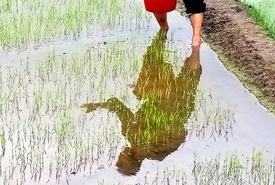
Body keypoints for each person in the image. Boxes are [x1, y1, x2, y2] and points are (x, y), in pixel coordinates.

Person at [84, 34, 202, 176]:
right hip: (161, 96)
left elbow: (182, 135)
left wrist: (170, 121)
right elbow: (118, 106)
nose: (121, 153)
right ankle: (172, 35)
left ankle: (195, 46)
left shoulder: (158, 154)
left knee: (190, 73)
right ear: (126, 156)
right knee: (153, 59)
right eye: (121, 156)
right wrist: (96, 105)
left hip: (180, 106)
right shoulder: (131, 134)